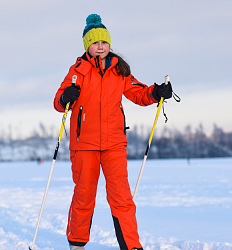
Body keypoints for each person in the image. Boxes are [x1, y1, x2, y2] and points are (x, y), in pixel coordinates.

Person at [53, 14, 173, 250]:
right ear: (88, 45)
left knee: (122, 199)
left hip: (114, 144)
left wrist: (156, 92)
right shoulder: (78, 70)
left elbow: (138, 93)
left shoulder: (120, 70)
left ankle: (131, 246)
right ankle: (76, 244)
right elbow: (59, 102)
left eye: (104, 42)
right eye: (96, 43)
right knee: (83, 197)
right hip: (83, 144)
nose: (101, 46)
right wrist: (66, 97)